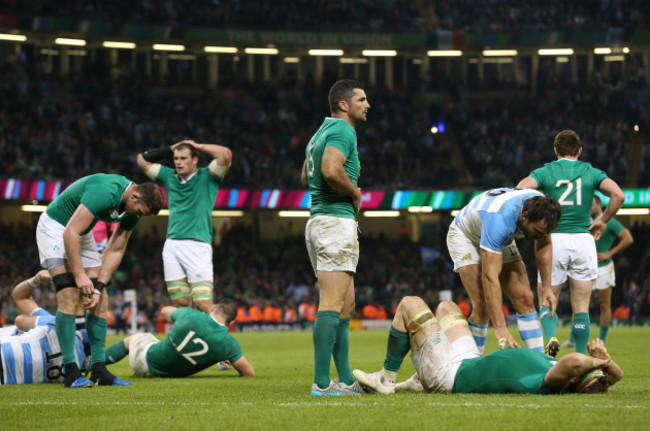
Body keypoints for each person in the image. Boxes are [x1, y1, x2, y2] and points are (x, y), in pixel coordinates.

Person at [37, 173, 164, 388]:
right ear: (134, 196)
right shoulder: (106, 192)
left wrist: (99, 285)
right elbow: (70, 232)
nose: (139, 215)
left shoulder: (133, 206)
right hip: (57, 227)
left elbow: (116, 247)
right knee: (69, 294)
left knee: (100, 297)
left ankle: (98, 369)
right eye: (140, 211)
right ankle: (70, 372)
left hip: (81, 231)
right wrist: (79, 276)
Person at [353, 297, 623, 395]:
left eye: (588, 369)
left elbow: (572, 362)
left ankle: (385, 381)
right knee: (448, 307)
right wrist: (608, 365)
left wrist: (597, 362)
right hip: (468, 360)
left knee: (409, 305)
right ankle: (418, 379)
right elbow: (617, 378)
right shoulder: (562, 372)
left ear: (575, 377)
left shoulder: (554, 381)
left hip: (450, 374)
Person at [517, 130, 625, 355]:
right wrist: (603, 220)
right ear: (580, 151)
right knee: (582, 305)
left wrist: (535, 213)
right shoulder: (590, 171)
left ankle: (552, 339)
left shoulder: (547, 171)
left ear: (555, 150)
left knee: (547, 295)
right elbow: (618, 195)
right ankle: (578, 356)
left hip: (553, 240)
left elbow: (520, 189)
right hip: (584, 241)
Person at [300, 79, 369, 396]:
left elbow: (306, 175)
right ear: (344, 104)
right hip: (334, 222)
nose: (367, 105)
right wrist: (355, 192)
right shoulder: (343, 131)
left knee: (346, 304)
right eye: (362, 99)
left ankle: (344, 380)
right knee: (331, 304)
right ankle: (322, 383)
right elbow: (329, 169)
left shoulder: (319, 133)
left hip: (321, 221)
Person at [446, 187, 561, 354]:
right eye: (537, 232)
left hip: (498, 233)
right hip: (466, 236)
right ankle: (471, 362)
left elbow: (544, 243)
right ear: (525, 216)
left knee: (525, 296)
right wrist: (500, 326)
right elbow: (490, 276)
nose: (539, 236)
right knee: (483, 306)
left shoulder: (544, 210)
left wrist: (547, 287)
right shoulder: (500, 219)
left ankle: (541, 362)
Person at [137, 140, 232, 314]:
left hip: (197, 245)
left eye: (183, 158)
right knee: (180, 302)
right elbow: (142, 160)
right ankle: (189, 339)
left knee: (203, 303)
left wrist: (199, 146)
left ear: (195, 159)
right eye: (176, 158)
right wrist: (170, 148)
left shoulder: (208, 176)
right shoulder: (168, 176)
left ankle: (214, 339)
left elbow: (225, 154)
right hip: (172, 245)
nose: (178, 162)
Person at [104, 299, 254, 378]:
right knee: (156, 341)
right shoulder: (229, 344)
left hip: (146, 361)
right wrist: (219, 357)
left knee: (133, 339)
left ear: (214, 307)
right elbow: (249, 372)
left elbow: (164, 311)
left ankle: (94, 363)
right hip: (170, 374)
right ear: (232, 322)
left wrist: (177, 316)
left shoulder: (190, 315)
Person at [1, 272, 89, 385]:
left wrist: (35, 280)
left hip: (5, 349)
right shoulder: (75, 367)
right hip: (8, 379)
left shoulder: (54, 323)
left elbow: (19, 319)